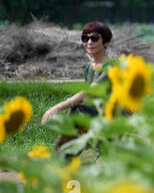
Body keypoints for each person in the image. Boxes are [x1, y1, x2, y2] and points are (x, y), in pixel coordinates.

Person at [41, 21, 113, 149]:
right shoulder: (89, 68)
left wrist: (57, 107)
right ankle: (64, 155)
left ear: (106, 42)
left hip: (114, 115)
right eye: (85, 38)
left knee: (78, 110)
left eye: (94, 38)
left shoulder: (111, 67)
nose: (89, 42)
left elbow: (90, 92)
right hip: (97, 113)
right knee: (78, 110)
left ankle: (63, 156)